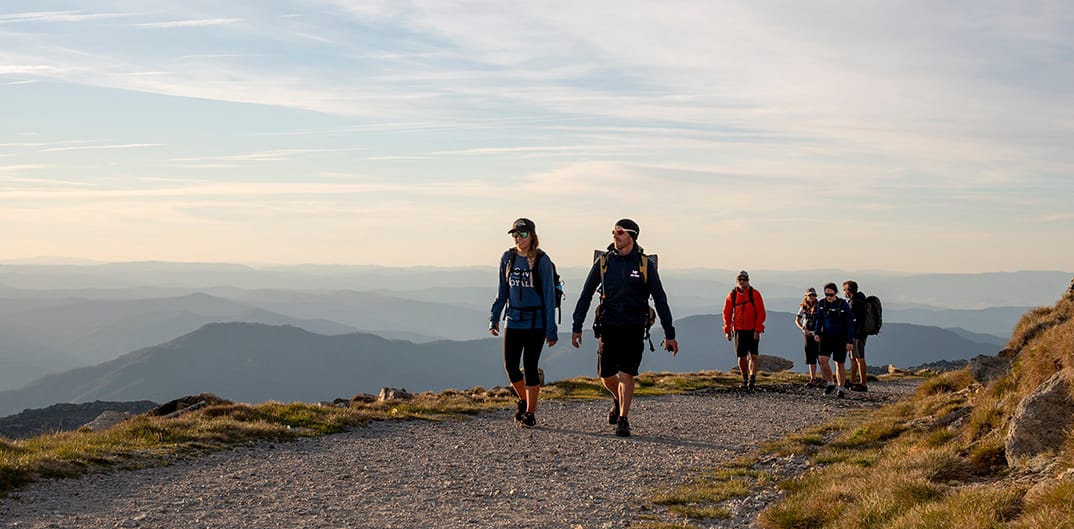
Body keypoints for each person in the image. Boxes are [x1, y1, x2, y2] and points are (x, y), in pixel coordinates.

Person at [571, 219, 678, 437]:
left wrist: (670, 334)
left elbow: (660, 299)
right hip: (608, 326)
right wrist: (577, 325)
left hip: (634, 327)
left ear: (631, 236)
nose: (615, 236)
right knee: (606, 376)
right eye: (613, 232)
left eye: (619, 232)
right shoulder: (604, 262)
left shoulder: (644, 265)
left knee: (627, 374)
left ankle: (623, 419)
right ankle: (617, 398)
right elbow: (585, 294)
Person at [489, 218, 558, 427]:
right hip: (513, 320)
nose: (519, 239)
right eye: (515, 235)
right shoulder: (507, 258)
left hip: (535, 323)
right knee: (510, 367)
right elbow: (503, 292)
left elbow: (549, 297)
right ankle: (523, 399)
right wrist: (494, 318)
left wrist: (551, 330)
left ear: (532, 236)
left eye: (523, 234)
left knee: (529, 367)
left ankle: (530, 412)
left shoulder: (542, 261)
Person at [722, 270, 766, 389]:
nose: (742, 282)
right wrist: (727, 330)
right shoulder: (732, 295)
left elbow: (761, 313)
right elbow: (727, 313)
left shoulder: (755, 294)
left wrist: (758, 329)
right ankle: (745, 378)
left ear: (748, 280)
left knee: (754, 355)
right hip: (738, 330)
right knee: (741, 356)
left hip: (752, 329)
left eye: (744, 280)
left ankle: (752, 379)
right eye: (739, 280)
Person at [811, 282, 854, 398]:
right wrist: (817, 333)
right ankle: (830, 383)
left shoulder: (843, 304)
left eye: (831, 294)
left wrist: (850, 341)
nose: (829, 297)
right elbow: (819, 319)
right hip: (826, 336)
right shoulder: (821, 303)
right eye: (826, 294)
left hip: (841, 337)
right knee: (822, 360)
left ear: (836, 293)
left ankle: (841, 388)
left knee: (839, 363)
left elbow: (849, 323)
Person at [843, 280, 869, 391]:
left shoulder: (855, 303)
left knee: (859, 358)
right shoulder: (859, 300)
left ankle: (863, 384)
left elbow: (851, 319)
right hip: (857, 334)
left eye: (844, 289)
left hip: (858, 334)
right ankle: (852, 382)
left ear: (849, 290)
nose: (844, 292)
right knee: (853, 358)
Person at [795, 287, 821, 386]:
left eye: (813, 295)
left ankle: (824, 379)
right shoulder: (803, 307)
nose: (812, 297)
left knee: (821, 357)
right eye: (810, 295)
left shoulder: (819, 306)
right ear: (806, 296)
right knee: (810, 357)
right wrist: (803, 328)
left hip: (818, 334)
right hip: (808, 334)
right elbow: (797, 320)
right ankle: (813, 378)